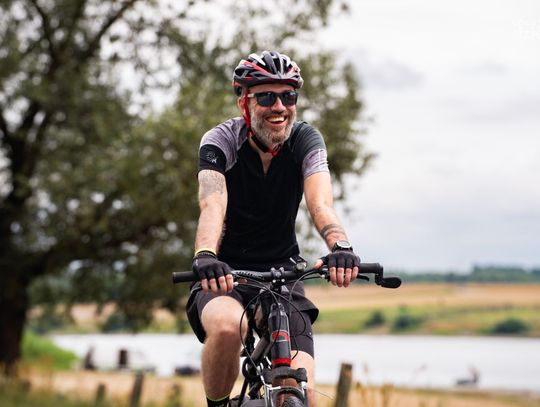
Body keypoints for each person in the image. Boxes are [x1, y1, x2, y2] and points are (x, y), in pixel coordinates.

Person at [186, 50, 361, 407]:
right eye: (266, 97)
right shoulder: (221, 141)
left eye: (288, 96)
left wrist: (340, 246)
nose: (279, 106)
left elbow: (320, 204)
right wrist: (205, 254)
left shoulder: (305, 140)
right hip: (225, 274)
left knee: (305, 393)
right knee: (227, 328)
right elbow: (213, 203)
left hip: (285, 273)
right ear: (244, 102)